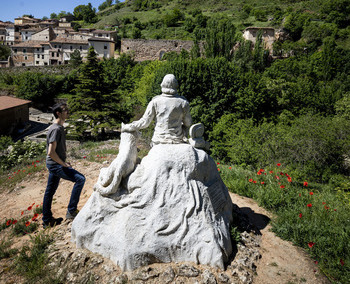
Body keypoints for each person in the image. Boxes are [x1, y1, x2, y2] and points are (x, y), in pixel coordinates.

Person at [42, 103, 85, 228]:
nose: (68, 112)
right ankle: (71, 211)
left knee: (49, 192)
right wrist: (63, 164)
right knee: (80, 179)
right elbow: (51, 152)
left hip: (54, 164)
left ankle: (47, 220)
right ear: (58, 113)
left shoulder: (58, 127)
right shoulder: (56, 129)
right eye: (65, 110)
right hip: (55, 165)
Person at [122, 74, 192, 145]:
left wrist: (130, 126)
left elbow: (145, 122)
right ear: (176, 85)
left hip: (158, 141)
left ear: (162, 84)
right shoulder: (183, 102)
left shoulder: (155, 101)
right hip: (177, 140)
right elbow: (188, 123)